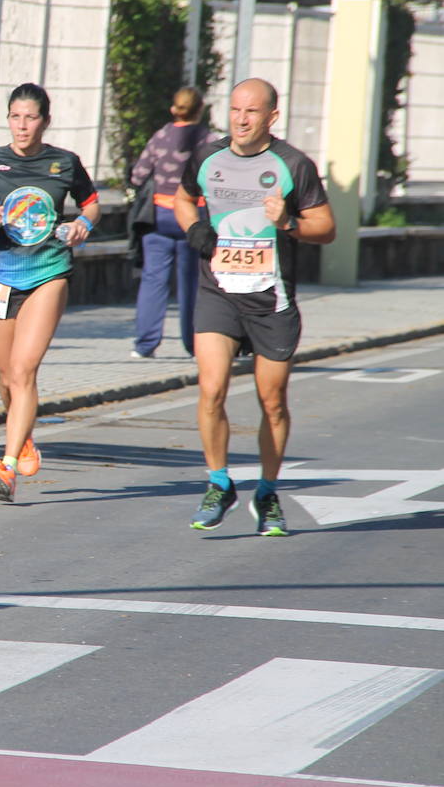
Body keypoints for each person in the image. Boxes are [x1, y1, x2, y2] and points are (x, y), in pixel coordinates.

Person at [176, 77, 335, 537]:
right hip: (218, 291)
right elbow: (184, 199)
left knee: (272, 402)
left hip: (271, 299)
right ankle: (219, 483)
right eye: (235, 111)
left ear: (271, 117)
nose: (241, 120)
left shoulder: (292, 165)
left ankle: (266, 493)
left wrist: (287, 221)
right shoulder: (208, 157)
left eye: (251, 112)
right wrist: (195, 230)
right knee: (211, 389)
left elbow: (325, 227)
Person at [0, 83, 101, 502]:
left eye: (30, 117)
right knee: (5, 378)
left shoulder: (64, 164)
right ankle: (24, 436)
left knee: (23, 371)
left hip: (49, 272)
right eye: (15, 116)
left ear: (45, 122)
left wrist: (83, 224)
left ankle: (8, 465)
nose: (22, 125)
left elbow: (90, 203)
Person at [128, 87, 218, 359]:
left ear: (173, 109)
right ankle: (193, 344)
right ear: (200, 109)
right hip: (192, 218)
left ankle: (145, 346)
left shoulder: (161, 136)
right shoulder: (208, 140)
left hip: (159, 217)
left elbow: (137, 175)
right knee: (192, 280)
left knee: (154, 279)